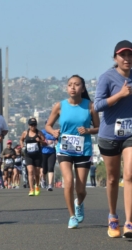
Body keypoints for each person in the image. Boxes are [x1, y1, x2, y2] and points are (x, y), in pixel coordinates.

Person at [46, 75, 99, 229]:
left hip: (83, 149)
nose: (73, 87)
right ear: (66, 88)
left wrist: (88, 129)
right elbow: (48, 125)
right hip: (64, 148)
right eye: (70, 85)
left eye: (76, 85)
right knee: (68, 182)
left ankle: (79, 203)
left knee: (81, 189)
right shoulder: (60, 106)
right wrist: (54, 132)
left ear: (82, 88)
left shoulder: (90, 106)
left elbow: (99, 127)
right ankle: (72, 216)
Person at [94, 40, 132, 238]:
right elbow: (97, 106)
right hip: (109, 135)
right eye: (122, 55)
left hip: (130, 135)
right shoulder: (107, 78)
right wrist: (120, 95)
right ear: (115, 58)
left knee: (130, 174)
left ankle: (129, 222)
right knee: (111, 178)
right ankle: (112, 217)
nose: (126, 59)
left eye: (129, 55)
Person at [20, 118, 46, 196]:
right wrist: (22, 145)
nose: (33, 127)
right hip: (28, 155)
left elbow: (45, 142)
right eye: (31, 125)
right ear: (29, 125)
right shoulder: (25, 133)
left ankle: (37, 186)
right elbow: (21, 140)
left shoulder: (39, 133)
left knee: (37, 173)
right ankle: (31, 189)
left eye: (34, 125)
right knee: (30, 171)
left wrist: (40, 141)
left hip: (37, 155)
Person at [41, 121, 57, 191]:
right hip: (43, 152)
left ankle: (50, 185)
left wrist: (54, 142)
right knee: (44, 169)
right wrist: (47, 142)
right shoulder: (42, 132)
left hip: (52, 152)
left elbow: (57, 140)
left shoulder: (54, 132)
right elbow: (40, 140)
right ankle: (43, 180)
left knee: (51, 168)